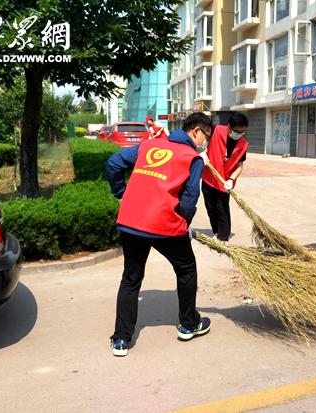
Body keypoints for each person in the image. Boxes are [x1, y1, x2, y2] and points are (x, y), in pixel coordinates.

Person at [105, 112, 213, 357]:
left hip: (130, 221)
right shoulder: (192, 157)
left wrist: (121, 193)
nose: (204, 143)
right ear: (197, 131)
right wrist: (184, 223)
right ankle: (189, 324)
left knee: (131, 278)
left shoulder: (148, 145)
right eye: (205, 136)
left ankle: (120, 339)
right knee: (186, 269)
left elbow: (113, 164)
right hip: (163, 223)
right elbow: (189, 199)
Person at [200, 112, 249, 242]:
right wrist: (203, 153)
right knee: (210, 207)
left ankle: (223, 237)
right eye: (236, 131)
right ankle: (216, 232)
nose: (238, 134)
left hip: (224, 181)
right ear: (229, 126)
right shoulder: (215, 130)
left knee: (222, 209)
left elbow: (239, 166)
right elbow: (201, 143)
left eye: (242, 132)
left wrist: (231, 180)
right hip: (208, 177)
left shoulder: (242, 145)